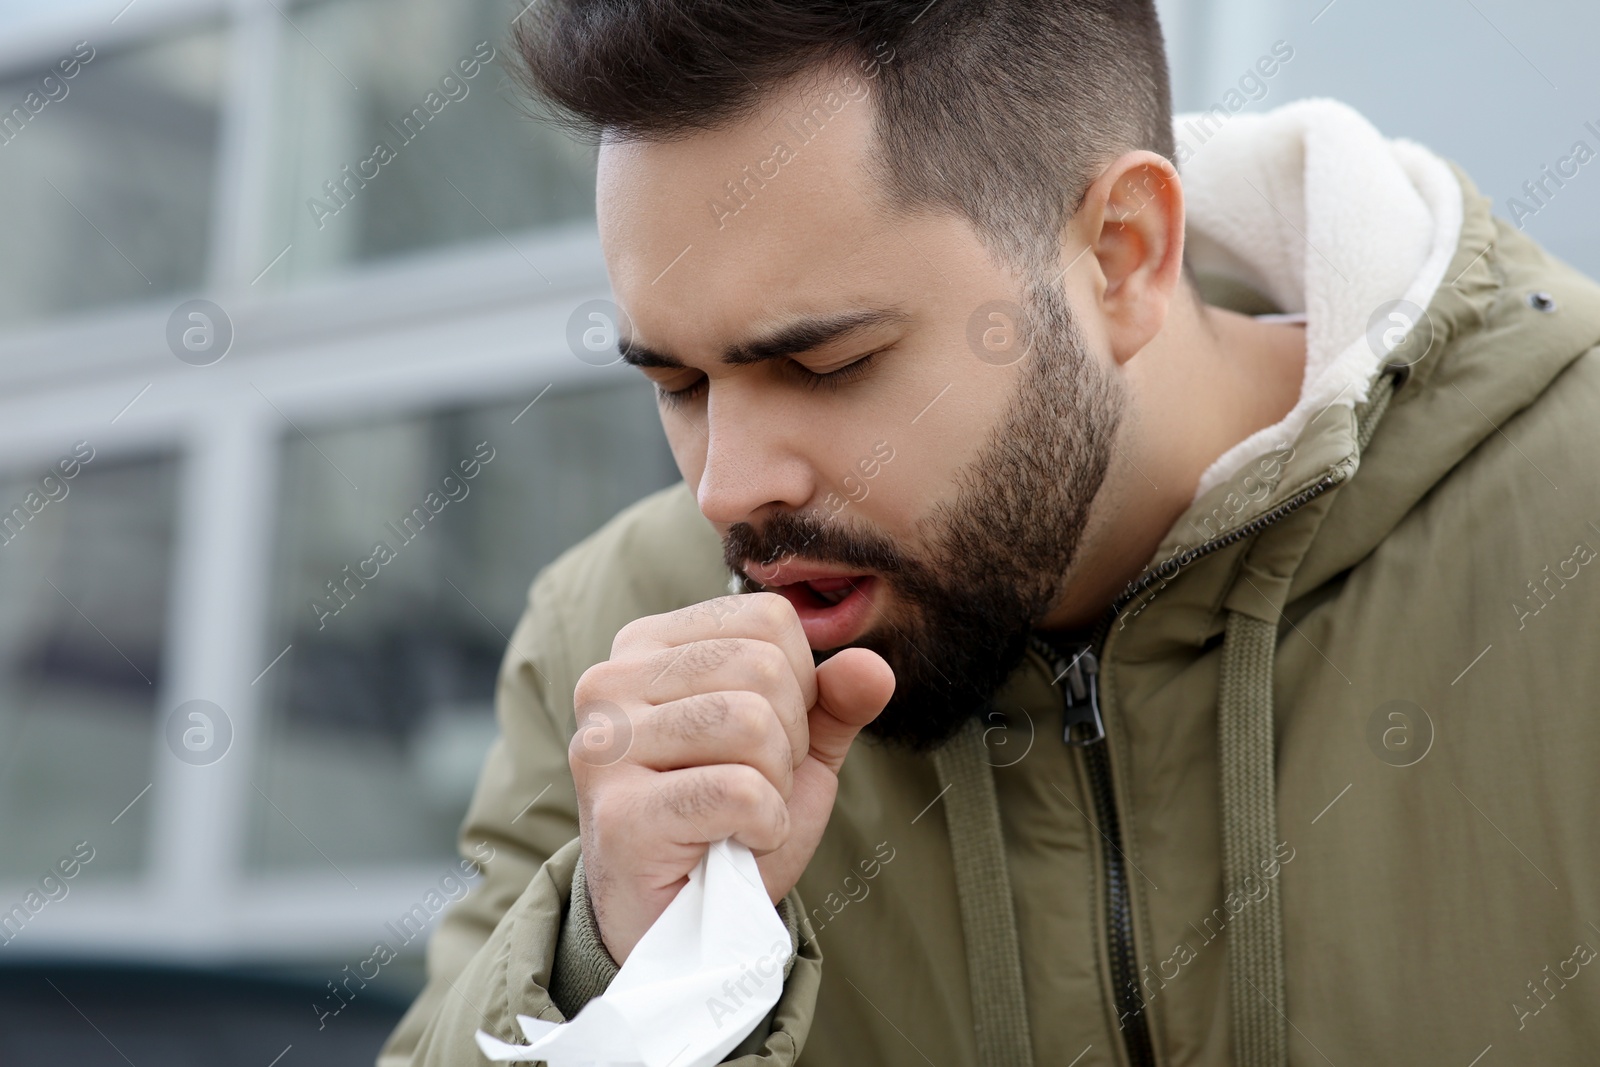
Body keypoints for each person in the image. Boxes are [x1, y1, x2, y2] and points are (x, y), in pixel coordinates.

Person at [379, 2, 1600, 1064]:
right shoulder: (616, 638)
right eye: (679, 384)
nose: (727, 490)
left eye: (825, 362)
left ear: (1122, 256)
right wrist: (618, 980)